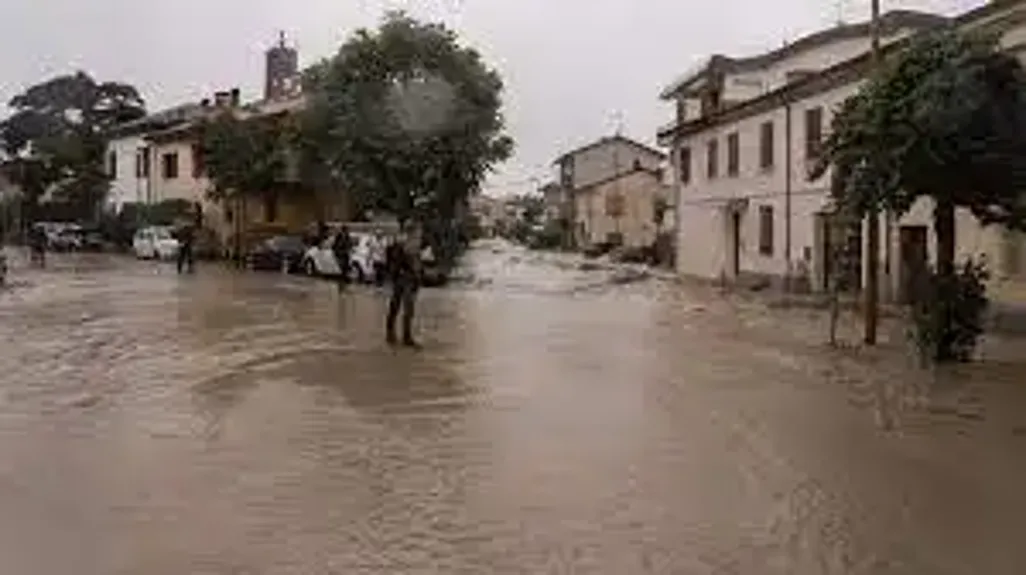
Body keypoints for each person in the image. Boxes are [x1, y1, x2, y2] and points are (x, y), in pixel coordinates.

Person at [385, 221, 423, 347]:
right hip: (403, 280)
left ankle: (405, 336)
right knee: (397, 306)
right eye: (418, 231)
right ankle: (394, 334)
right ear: (411, 232)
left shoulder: (415, 245)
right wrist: (397, 275)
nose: (420, 234)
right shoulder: (401, 245)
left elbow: (417, 264)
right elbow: (395, 263)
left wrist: (418, 277)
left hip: (411, 280)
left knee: (407, 309)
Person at [332, 225, 354, 292]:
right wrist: (337, 253)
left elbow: (350, 244)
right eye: (346, 230)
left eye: (347, 230)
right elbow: (334, 246)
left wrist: (349, 249)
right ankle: (341, 286)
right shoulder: (339, 237)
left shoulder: (348, 237)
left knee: (345, 270)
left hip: (346, 255)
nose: (347, 231)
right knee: (342, 270)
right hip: (340, 255)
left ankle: (343, 285)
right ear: (343, 230)